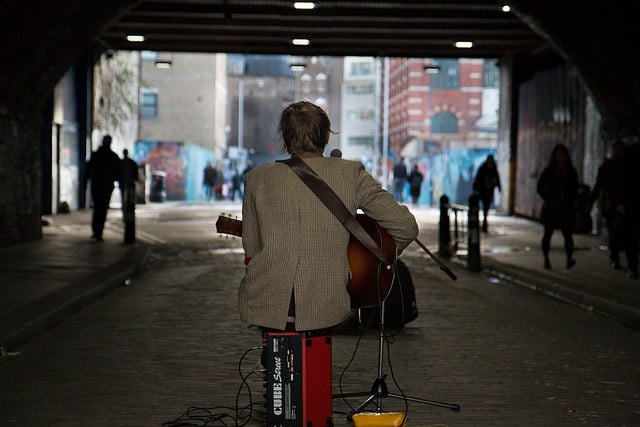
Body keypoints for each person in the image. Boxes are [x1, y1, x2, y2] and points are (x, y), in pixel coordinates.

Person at [239, 100, 419, 333]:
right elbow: (405, 228)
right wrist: (372, 258)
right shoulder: (351, 174)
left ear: (284, 137)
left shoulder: (257, 179)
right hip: (326, 302)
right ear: (326, 135)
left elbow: (251, 249)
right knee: (316, 364)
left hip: (267, 300)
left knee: (274, 362)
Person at [537, 144, 579, 270]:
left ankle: (569, 259)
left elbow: (575, 188)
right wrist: (549, 197)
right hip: (552, 207)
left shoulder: (571, 171)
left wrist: (572, 200)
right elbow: (540, 187)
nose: (561, 157)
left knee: (567, 235)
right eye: (558, 154)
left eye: (563, 154)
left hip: (565, 208)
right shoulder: (549, 171)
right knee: (548, 234)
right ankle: (546, 259)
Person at [589, 141, 625, 269]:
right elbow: (599, 186)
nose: (618, 153)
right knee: (614, 231)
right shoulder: (607, 168)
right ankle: (614, 257)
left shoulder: (628, 167)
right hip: (611, 204)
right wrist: (590, 201)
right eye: (616, 150)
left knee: (619, 231)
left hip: (623, 203)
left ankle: (619, 258)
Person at [85, 134, 121, 242]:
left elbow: (88, 170)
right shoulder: (113, 157)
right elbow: (117, 173)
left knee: (97, 209)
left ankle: (96, 231)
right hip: (106, 187)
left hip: (97, 185)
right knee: (103, 209)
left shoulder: (96, 155)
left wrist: (84, 183)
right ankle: (98, 232)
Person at [621, 142, 640, 279]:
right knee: (632, 235)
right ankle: (633, 266)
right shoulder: (631, 152)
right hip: (633, 201)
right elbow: (623, 178)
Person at [473, 154, 502, 233]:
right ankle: (482, 224)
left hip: (488, 191)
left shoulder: (491, 169)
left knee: (486, 208)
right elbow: (477, 179)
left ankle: (484, 224)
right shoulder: (483, 168)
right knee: (482, 208)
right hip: (483, 191)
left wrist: (499, 187)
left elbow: (497, 178)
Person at [119, 149, 139, 213]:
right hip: (130, 182)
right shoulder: (132, 162)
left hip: (123, 182)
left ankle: (124, 207)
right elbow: (136, 173)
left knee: (124, 195)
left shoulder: (121, 162)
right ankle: (129, 207)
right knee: (130, 196)